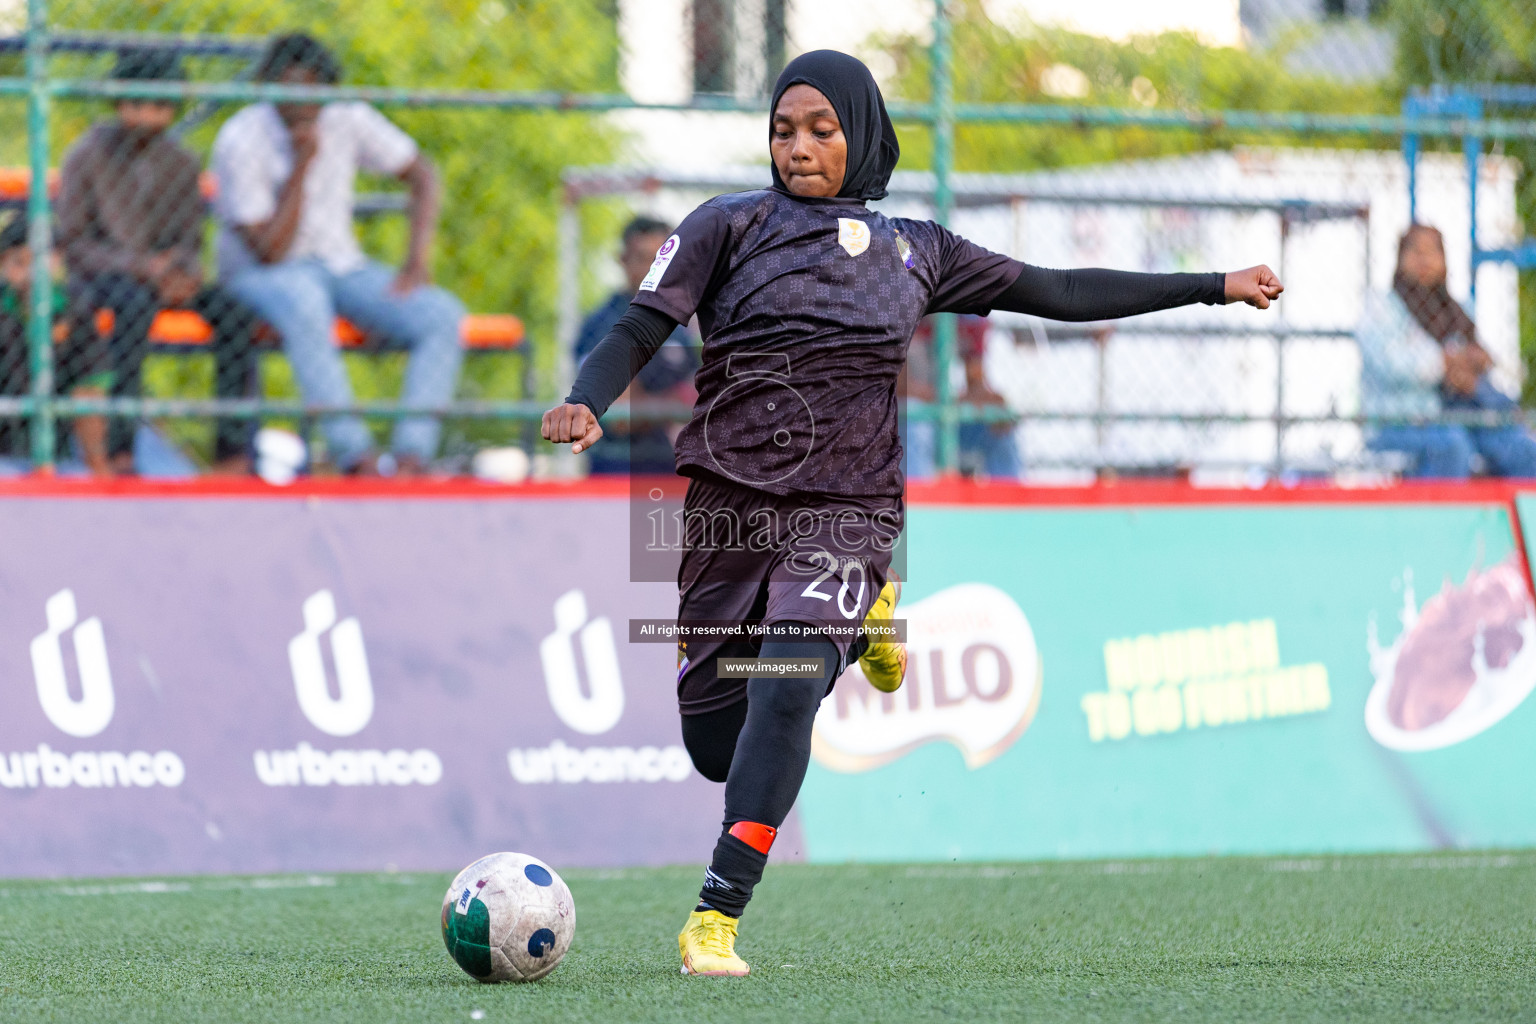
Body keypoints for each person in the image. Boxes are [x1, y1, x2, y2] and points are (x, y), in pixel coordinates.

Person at [541, 50, 1282, 977]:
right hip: (730, 512)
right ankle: (865, 630)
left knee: (786, 682)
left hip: (848, 511)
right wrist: (587, 398)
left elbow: (1057, 291)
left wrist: (1210, 285)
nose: (799, 146)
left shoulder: (917, 250)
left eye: (821, 128)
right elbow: (637, 327)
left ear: (862, 133)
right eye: (783, 129)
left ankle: (716, 917)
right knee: (711, 742)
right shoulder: (723, 227)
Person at [211, 33, 464, 476]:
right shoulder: (241, 138)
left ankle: (409, 460)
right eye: (289, 87)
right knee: (306, 301)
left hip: (340, 267)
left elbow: (422, 174)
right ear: (267, 84)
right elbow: (271, 252)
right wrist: (303, 162)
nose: (303, 101)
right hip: (261, 276)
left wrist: (416, 260)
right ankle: (356, 458)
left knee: (441, 315)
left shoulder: (346, 116)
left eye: (313, 89)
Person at [56, 48, 260, 474]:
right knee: (133, 307)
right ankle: (120, 447)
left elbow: (189, 237)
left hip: (165, 277)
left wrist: (182, 271)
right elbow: (73, 242)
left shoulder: (181, 162)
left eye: (160, 105)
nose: (147, 116)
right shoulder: (87, 154)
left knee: (237, 315)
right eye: (137, 104)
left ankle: (233, 449)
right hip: (103, 277)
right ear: (119, 101)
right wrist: (140, 267)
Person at [1357, 224, 1536, 478]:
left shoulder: (1456, 310)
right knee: (1452, 446)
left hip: (1461, 413)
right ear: (1400, 259)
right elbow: (1390, 364)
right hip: (1399, 421)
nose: (1424, 259)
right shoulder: (1382, 308)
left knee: (1520, 448)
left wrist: (1469, 368)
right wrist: (1444, 364)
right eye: (1415, 251)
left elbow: (1474, 357)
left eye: (1432, 252)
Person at [574, 216, 701, 475]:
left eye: (663, 259)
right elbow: (621, 415)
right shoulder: (601, 325)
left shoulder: (680, 324)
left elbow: (707, 399)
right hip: (616, 471)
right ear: (623, 260)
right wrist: (676, 402)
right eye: (643, 258)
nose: (654, 268)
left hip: (669, 469)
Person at [0, 217, 112, 474]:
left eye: (42, 260)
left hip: (58, 454)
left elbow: (90, 387)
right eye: (19, 262)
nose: (32, 273)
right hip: (3, 450)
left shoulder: (76, 311)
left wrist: (97, 465)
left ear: (59, 261)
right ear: (3, 265)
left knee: (77, 481)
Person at [902, 313, 1021, 480]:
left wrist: (993, 402)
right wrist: (952, 402)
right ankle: (917, 502)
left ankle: (1010, 502)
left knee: (1000, 424)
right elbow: (900, 388)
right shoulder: (902, 307)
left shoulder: (971, 314)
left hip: (947, 412)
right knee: (913, 420)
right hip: (908, 419)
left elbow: (976, 384)